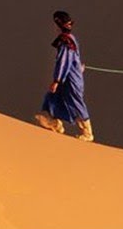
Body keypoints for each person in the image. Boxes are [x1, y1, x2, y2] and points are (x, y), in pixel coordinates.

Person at [33, 10, 93, 142]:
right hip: (69, 77)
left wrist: (57, 80)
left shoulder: (66, 41)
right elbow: (74, 59)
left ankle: (87, 132)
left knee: (76, 102)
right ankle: (55, 123)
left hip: (70, 79)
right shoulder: (70, 40)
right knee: (53, 97)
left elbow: (64, 61)